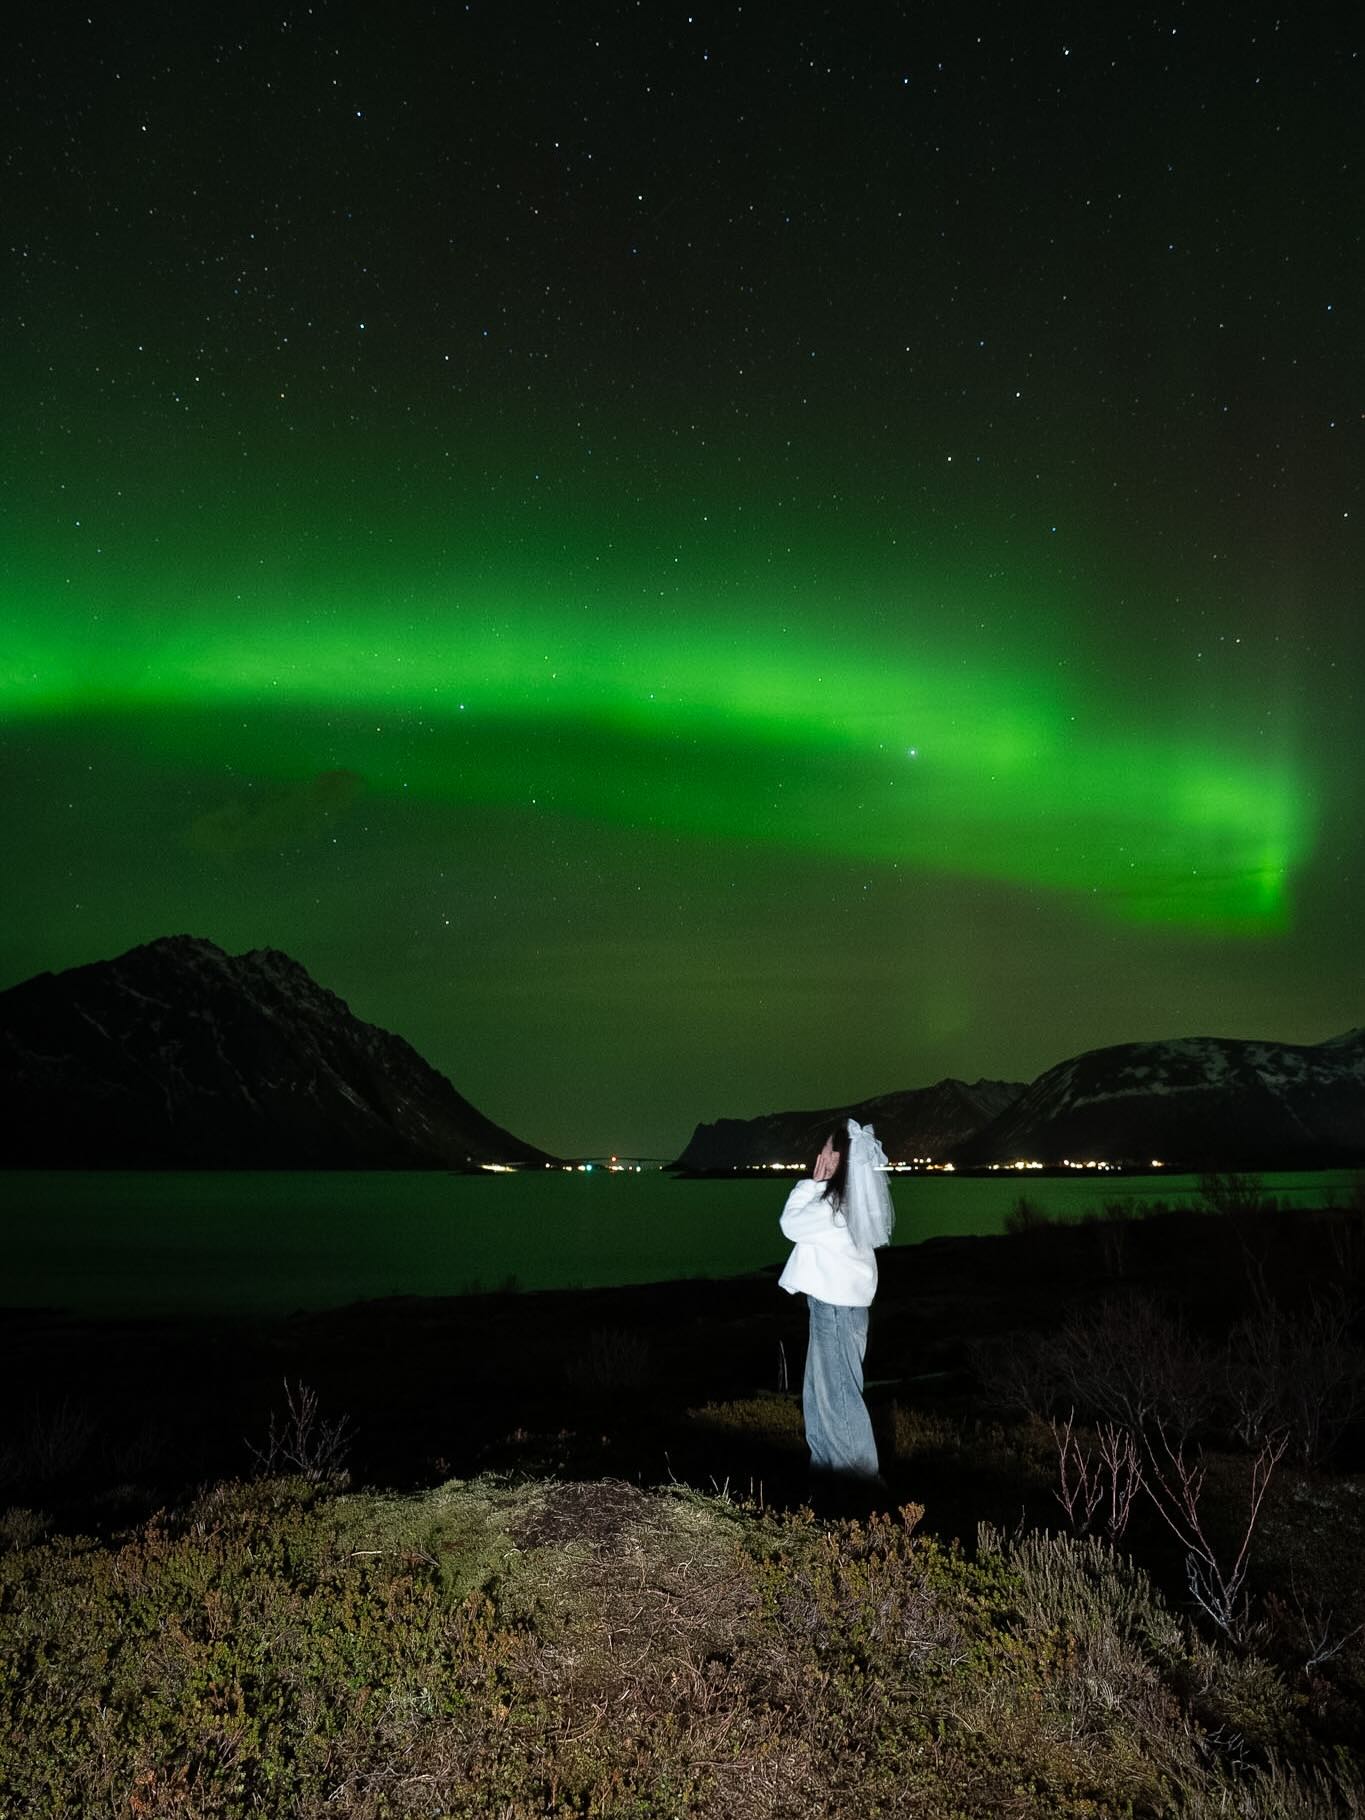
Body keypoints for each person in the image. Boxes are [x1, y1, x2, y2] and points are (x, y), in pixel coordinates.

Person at [778, 1117, 896, 1494]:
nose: (820, 1156)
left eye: (826, 1150)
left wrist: (809, 1184)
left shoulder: (834, 1208)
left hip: (834, 1311)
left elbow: (790, 1225)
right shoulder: (849, 1205)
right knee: (821, 1398)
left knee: (837, 1401)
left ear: (838, 1158)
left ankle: (861, 1490)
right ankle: (829, 1483)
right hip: (838, 1311)